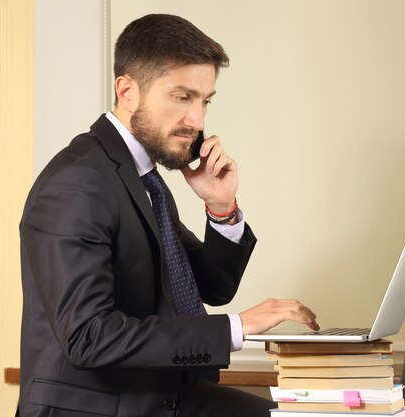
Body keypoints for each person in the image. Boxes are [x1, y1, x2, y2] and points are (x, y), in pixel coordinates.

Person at [18, 14, 319, 417]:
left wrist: (222, 208)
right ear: (127, 90)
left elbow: (211, 287)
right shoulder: (79, 182)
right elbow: (87, 337)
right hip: (96, 408)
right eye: (183, 97)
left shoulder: (141, 178)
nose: (197, 121)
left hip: (161, 397)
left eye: (205, 100)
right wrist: (237, 327)